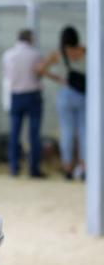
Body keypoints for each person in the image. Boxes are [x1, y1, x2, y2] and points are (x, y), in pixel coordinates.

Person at [37, 25, 87, 180]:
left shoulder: (58, 54)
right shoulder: (84, 51)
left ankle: (68, 168)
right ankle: (84, 166)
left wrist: (58, 78)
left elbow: (39, 69)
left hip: (65, 94)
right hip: (84, 94)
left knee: (67, 131)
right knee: (84, 132)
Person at [2, 29, 45, 177]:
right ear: (30, 38)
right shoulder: (36, 54)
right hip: (33, 95)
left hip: (15, 95)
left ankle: (14, 168)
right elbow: (39, 73)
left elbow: (7, 76)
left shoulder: (8, 55)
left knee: (14, 133)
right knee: (34, 134)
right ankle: (33, 169)